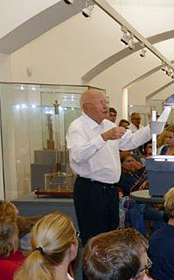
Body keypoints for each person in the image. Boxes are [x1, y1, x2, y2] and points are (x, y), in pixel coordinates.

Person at [66, 88, 156, 246]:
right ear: (87, 107)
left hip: (110, 190)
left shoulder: (107, 124)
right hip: (90, 190)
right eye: (101, 102)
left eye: (105, 102)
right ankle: (92, 271)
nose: (105, 106)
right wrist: (104, 137)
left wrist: (151, 128)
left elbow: (131, 141)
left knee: (111, 237)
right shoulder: (77, 127)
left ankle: (110, 270)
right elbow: (77, 156)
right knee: (94, 240)